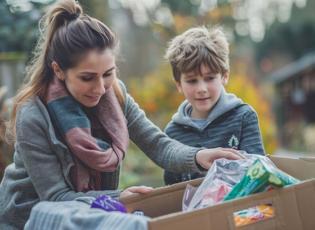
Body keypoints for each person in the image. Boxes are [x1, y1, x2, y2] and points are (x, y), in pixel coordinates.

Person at [0, 1, 242, 229]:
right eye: (87, 78)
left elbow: (158, 145)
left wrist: (199, 156)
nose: (100, 88)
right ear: (59, 71)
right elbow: (56, 198)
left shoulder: (116, 95)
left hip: (90, 212)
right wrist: (118, 197)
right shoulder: (33, 115)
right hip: (30, 220)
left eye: (108, 73)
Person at [163, 26, 265, 185]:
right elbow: (170, 187)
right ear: (178, 84)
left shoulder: (244, 117)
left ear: (224, 76)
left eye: (209, 78)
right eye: (191, 81)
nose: (201, 89)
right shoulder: (173, 132)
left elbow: (258, 171)